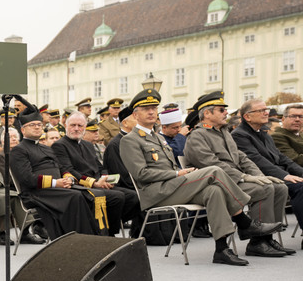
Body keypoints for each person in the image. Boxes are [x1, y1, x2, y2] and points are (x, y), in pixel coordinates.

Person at [120, 89, 283, 266]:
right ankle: (243, 222)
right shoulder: (130, 140)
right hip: (156, 192)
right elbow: (141, 174)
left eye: (154, 108)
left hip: (173, 186)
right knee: (213, 171)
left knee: (214, 191)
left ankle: (221, 249)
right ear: (135, 115)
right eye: (146, 109)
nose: (152, 112)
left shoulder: (158, 138)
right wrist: (176, 173)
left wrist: (181, 173)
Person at [184, 91, 289, 258]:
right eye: (221, 110)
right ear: (207, 114)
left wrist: (259, 176)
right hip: (219, 184)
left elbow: (242, 158)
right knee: (265, 189)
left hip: (235, 181)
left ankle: (267, 238)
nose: (226, 112)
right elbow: (211, 164)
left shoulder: (224, 132)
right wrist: (244, 177)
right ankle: (257, 242)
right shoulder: (197, 136)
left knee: (280, 187)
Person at [9, 106, 103, 239]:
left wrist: (69, 179)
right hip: (36, 192)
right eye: (32, 125)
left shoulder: (46, 148)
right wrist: (55, 183)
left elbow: (61, 168)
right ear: (23, 130)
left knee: (88, 194)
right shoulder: (19, 150)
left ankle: (93, 236)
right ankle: (75, 239)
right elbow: (27, 178)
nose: (37, 127)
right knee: (76, 197)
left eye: (39, 124)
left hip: (57, 188)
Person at [231, 98, 302, 254]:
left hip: (274, 175)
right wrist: (284, 175)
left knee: (287, 186)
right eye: (261, 110)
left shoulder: (263, 133)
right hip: (257, 177)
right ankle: (258, 241)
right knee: (295, 187)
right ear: (247, 116)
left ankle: (268, 238)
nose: (266, 113)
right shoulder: (239, 135)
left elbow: (282, 158)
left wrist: (299, 173)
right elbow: (256, 161)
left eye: (266, 109)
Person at [52, 112, 139, 236]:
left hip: (99, 184)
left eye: (80, 126)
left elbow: (100, 166)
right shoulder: (59, 145)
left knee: (134, 197)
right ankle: (109, 233)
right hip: (81, 187)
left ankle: (105, 227)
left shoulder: (87, 145)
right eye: (73, 125)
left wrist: (105, 179)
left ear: (84, 127)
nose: (76, 128)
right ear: (66, 126)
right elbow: (69, 170)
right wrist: (95, 183)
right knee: (117, 197)